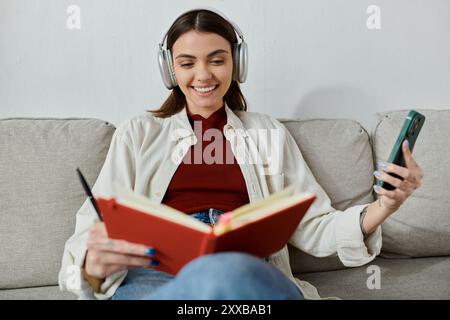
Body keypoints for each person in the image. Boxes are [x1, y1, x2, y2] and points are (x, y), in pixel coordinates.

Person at [58, 8, 424, 300]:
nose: (203, 74)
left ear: (237, 63)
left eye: (216, 60)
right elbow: (92, 233)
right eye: (187, 63)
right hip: (157, 273)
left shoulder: (266, 132)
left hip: (246, 268)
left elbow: (313, 224)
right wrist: (94, 262)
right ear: (169, 70)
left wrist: (384, 207)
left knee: (228, 277)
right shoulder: (138, 133)